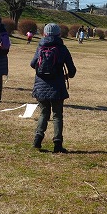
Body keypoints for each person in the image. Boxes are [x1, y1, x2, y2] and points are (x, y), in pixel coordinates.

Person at [30, 23, 77, 153]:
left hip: (40, 86)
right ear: (58, 34)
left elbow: (32, 64)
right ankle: (57, 143)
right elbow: (72, 70)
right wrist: (65, 76)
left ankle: (38, 139)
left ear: (45, 34)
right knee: (57, 115)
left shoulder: (40, 47)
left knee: (44, 113)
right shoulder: (62, 48)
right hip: (57, 87)